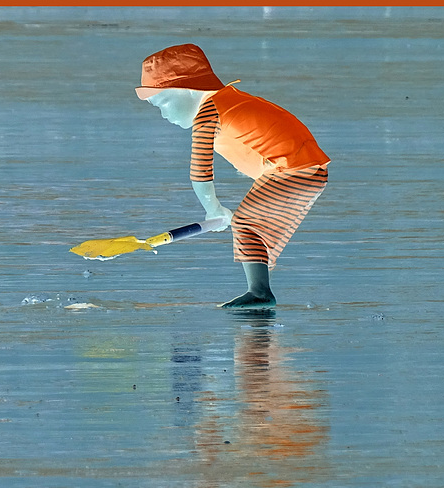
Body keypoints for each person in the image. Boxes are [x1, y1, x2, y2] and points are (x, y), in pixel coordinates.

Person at [136, 43, 330, 309]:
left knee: (246, 223)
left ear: (190, 89)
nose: (164, 114)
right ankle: (259, 286)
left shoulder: (208, 113)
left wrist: (212, 208)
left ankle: (260, 292)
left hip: (291, 168)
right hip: (311, 169)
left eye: (165, 102)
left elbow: (200, 173)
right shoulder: (229, 100)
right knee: (255, 229)